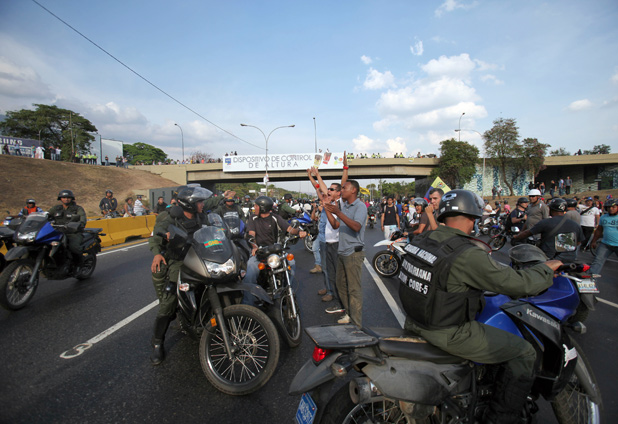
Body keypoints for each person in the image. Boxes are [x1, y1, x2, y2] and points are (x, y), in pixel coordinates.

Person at [399, 189, 562, 424]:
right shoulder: (466, 253)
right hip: (447, 332)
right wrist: (545, 269)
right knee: (525, 352)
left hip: (415, 321)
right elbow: (518, 284)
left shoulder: (424, 239)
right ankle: (501, 418)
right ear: (473, 217)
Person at [148, 186, 213, 365]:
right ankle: (157, 342)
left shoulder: (202, 217)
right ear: (190, 204)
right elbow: (155, 236)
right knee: (169, 301)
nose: (202, 204)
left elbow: (214, 231)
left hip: (200, 258)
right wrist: (157, 253)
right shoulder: (171, 218)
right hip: (180, 261)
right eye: (199, 202)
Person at [243, 196, 306, 305]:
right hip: (260, 251)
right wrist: (254, 246)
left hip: (275, 250)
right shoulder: (253, 218)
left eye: (256, 206)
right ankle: (247, 305)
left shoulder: (275, 218)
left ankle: (287, 289)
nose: (254, 208)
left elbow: (289, 229)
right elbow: (251, 233)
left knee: (291, 263)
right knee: (250, 271)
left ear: (262, 207)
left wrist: (299, 232)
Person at [323, 180, 367, 326]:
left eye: (344, 188)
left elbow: (356, 226)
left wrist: (338, 212)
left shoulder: (360, 206)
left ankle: (356, 324)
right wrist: (328, 209)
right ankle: (349, 313)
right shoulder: (344, 207)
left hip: (353, 253)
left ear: (353, 190)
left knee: (354, 289)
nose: (341, 190)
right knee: (340, 285)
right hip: (342, 251)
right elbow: (335, 225)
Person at [514, 198, 584, 263]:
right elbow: (578, 242)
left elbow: (528, 233)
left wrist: (516, 237)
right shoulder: (575, 225)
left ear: (551, 209)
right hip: (569, 260)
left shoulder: (545, 222)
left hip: (549, 258)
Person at [48, 189, 87, 263]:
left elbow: (82, 219)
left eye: (68, 197)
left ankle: (79, 262)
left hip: (73, 233)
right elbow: (46, 215)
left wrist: (78, 225)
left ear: (71, 198)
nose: (66, 199)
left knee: (74, 247)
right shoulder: (56, 208)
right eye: (64, 197)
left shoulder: (77, 209)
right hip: (58, 232)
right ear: (60, 198)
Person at [589, 198, 618, 276]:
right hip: (605, 244)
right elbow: (599, 230)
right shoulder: (604, 217)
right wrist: (594, 241)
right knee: (597, 261)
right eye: (609, 207)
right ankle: (591, 277)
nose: (610, 209)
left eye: (613, 207)